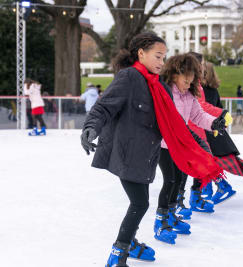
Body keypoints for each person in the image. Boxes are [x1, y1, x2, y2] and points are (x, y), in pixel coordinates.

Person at [80, 33, 224, 266]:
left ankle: (130, 243)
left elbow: (177, 124)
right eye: (157, 56)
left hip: (146, 155)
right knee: (140, 203)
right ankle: (118, 253)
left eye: (164, 57)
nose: (161, 62)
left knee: (141, 201)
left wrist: (198, 145)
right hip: (126, 151)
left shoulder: (160, 87)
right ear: (141, 53)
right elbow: (104, 107)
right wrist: (90, 129)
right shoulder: (129, 78)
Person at [155, 54, 225, 244]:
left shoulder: (188, 95)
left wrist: (215, 123)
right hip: (164, 144)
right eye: (185, 81)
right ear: (175, 74)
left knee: (178, 180)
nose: (188, 84)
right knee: (169, 180)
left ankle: (170, 214)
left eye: (191, 81)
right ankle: (160, 222)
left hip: (180, 143)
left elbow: (198, 116)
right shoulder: (165, 91)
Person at [202, 61, 243, 202]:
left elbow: (204, 109)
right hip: (214, 129)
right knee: (208, 160)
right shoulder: (213, 89)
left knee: (205, 160)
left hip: (207, 130)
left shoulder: (200, 90)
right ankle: (207, 188)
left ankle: (218, 186)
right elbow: (219, 108)